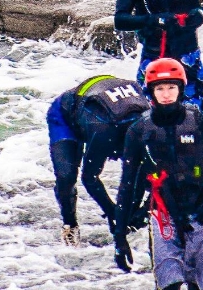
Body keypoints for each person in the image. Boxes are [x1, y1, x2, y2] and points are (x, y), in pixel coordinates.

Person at [113, 58, 203, 290]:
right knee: (169, 285)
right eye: (160, 88)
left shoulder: (202, 122)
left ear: (181, 89)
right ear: (151, 92)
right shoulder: (139, 131)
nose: (166, 94)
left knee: (199, 286)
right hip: (163, 216)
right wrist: (119, 236)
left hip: (200, 213)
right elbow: (127, 185)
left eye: (172, 87)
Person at [46, 75, 151, 247]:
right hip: (67, 116)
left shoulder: (152, 127)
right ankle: (69, 225)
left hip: (106, 108)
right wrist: (112, 212)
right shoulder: (104, 133)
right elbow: (89, 178)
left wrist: (143, 212)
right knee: (67, 176)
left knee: (148, 172)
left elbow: (163, 173)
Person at [114, 0, 203, 113]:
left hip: (188, 57)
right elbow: (120, 20)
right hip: (152, 57)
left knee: (199, 115)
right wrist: (154, 20)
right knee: (148, 114)